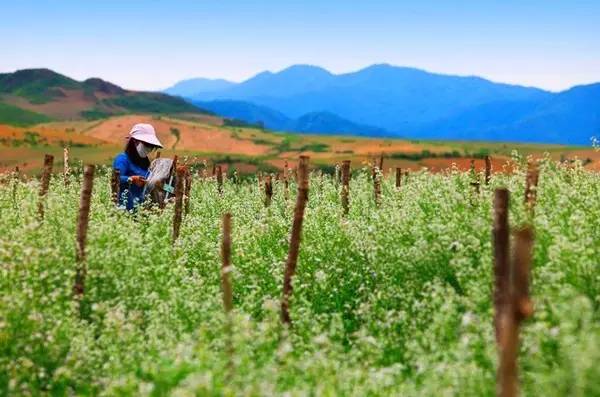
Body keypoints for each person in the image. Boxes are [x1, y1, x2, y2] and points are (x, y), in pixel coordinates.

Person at [113, 123, 163, 210]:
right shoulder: (123, 159)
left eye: (152, 147)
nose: (149, 149)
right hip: (124, 211)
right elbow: (116, 179)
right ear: (135, 141)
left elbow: (156, 183)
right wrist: (131, 179)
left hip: (141, 212)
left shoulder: (146, 164)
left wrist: (171, 189)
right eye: (147, 145)